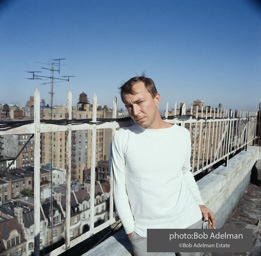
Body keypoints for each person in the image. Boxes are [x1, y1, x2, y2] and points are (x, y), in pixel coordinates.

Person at [111, 75, 215, 256]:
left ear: (156, 99)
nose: (135, 111)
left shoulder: (181, 134)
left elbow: (184, 173)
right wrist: (131, 233)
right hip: (147, 234)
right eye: (129, 105)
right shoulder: (123, 138)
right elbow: (119, 189)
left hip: (189, 222)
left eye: (140, 102)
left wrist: (200, 203)